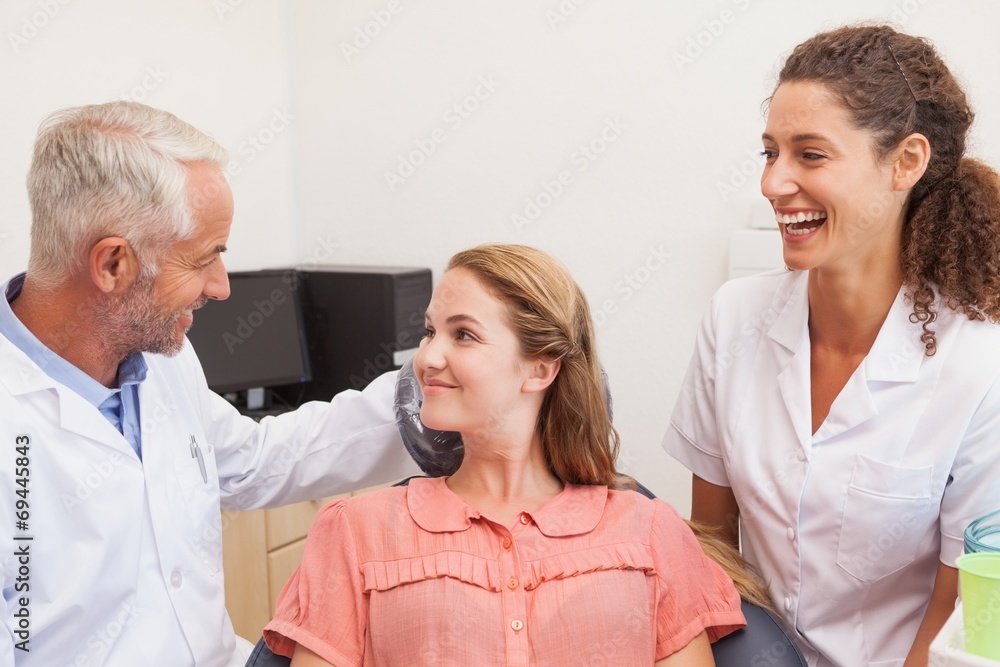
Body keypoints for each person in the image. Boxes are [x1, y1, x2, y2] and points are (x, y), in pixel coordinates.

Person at [0, 101, 418, 666]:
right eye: (204, 259)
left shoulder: (163, 359)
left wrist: (425, 398)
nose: (221, 287)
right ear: (113, 265)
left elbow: (249, 460)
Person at [663, 24, 1000, 667]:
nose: (774, 184)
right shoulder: (735, 319)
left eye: (810, 155)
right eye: (770, 153)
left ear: (906, 162)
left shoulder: (981, 368)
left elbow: (955, 611)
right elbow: (710, 538)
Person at [263, 244, 747, 666]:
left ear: (538, 370)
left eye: (464, 335)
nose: (427, 357)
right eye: (430, 331)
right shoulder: (353, 531)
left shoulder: (651, 532)